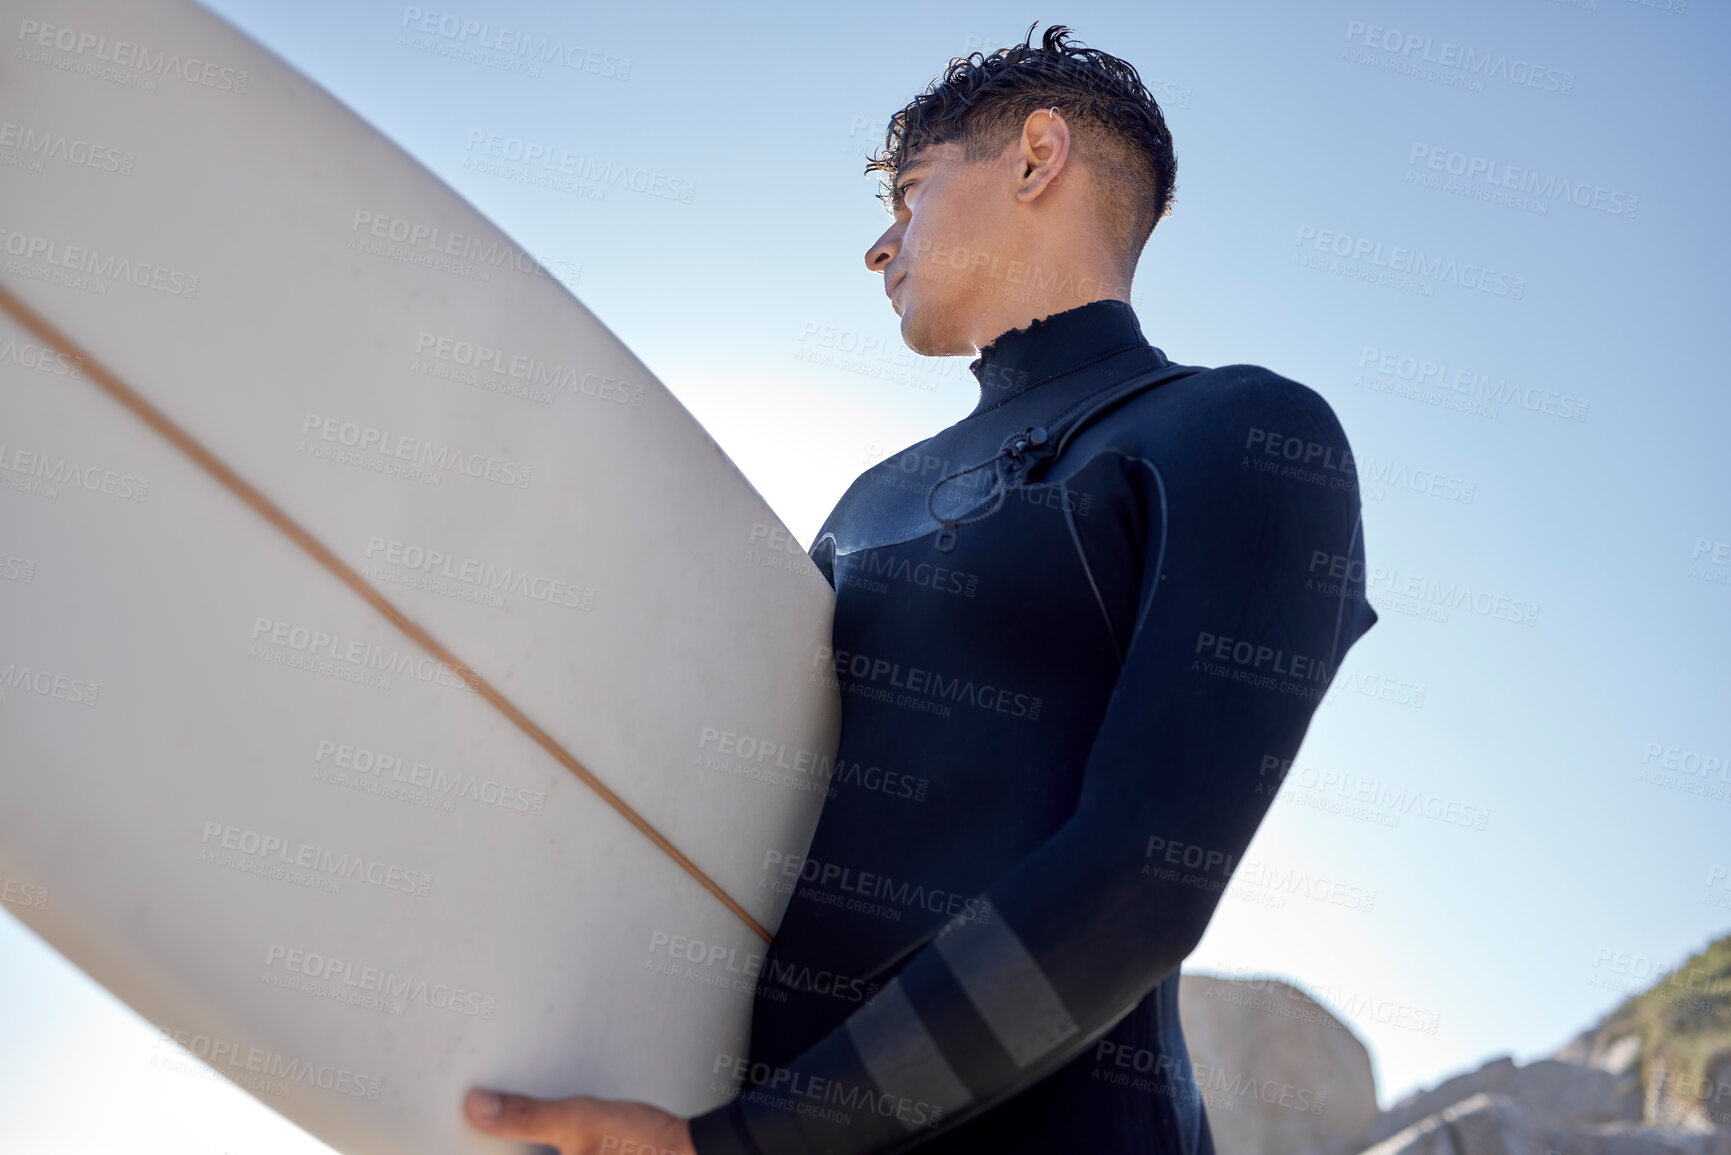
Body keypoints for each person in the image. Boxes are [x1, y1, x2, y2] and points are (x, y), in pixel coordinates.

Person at [463, 23, 1378, 1155]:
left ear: (1037, 157)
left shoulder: (1242, 433)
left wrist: (752, 1146)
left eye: (910, 191)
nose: (879, 244)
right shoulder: (869, 502)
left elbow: (1148, 877)